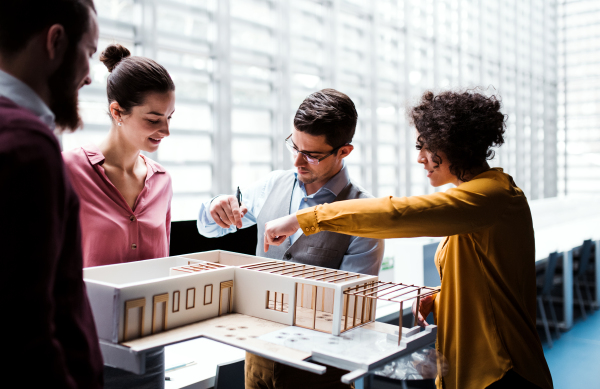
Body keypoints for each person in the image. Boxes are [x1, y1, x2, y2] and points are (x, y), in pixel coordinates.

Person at [263, 90, 554, 389]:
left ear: (453, 145)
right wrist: (441, 298)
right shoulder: (480, 201)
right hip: (477, 372)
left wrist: (306, 218)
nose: (420, 158)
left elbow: (397, 214)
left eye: (424, 146)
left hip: (502, 372)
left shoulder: (492, 197)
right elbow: (487, 281)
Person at [197, 88, 384, 388]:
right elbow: (210, 229)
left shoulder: (363, 213)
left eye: (312, 155)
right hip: (258, 357)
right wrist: (215, 206)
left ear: (344, 151)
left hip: (319, 370)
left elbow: (353, 312)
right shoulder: (273, 184)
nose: (297, 162)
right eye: (294, 146)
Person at [0, 1, 103, 388]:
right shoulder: (27, 147)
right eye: (88, 53)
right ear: (55, 41)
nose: (89, 77)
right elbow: (23, 331)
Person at [62, 43, 174, 387]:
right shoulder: (68, 171)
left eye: (169, 118)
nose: (165, 131)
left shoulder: (162, 181)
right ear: (117, 111)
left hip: (150, 344)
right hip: (83, 344)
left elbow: (164, 268)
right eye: (154, 119)